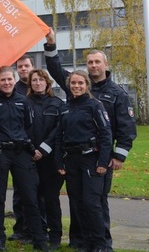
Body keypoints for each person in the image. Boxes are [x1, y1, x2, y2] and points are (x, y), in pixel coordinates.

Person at [44, 29, 136, 250]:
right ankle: (79, 240)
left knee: (96, 202)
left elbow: (126, 127)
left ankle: (102, 242)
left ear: (105, 64)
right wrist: (51, 44)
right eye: (90, 62)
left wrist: (119, 155)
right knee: (77, 201)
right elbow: (56, 69)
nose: (93, 65)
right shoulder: (78, 87)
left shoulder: (117, 93)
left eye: (97, 62)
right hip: (75, 157)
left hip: (100, 157)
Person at [0, 66, 47, 251]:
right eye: (3, 80)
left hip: (21, 153)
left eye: (10, 79)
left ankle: (39, 241)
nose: (7, 83)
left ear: (14, 78)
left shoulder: (23, 101)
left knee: (30, 196)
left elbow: (28, 126)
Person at [53, 70, 112, 252]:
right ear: (69, 85)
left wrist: (102, 162)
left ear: (87, 85)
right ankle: (85, 243)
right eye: (73, 83)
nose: (76, 86)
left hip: (91, 160)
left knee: (92, 204)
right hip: (71, 161)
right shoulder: (66, 107)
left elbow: (106, 134)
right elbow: (58, 137)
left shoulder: (95, 105)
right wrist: (59, 163)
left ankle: (101, 244)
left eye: (80, 83)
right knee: (77, 203)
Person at [27, 69, 65, 248]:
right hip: (29, 158)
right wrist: (31, 150)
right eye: (34, 80)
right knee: (33, 198)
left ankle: (55, 235)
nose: (37, 83)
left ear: (47, 83)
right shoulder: (24, 103)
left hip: (50, 159)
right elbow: (20, 128)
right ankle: (38, 234)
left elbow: (59, 130)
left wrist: (43, 149)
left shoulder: (57, 104)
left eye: (41, 80)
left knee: (51, 198)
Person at [9, 54, 34, 242]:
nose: (23, 69)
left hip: (40, 149)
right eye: (20, 66)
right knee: (19, 193)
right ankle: (21, 229)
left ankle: (40, 228)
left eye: (26, 65)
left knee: (39, 193)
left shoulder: (40, 85)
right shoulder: (13, 89)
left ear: (32, 67)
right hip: (19, 150)